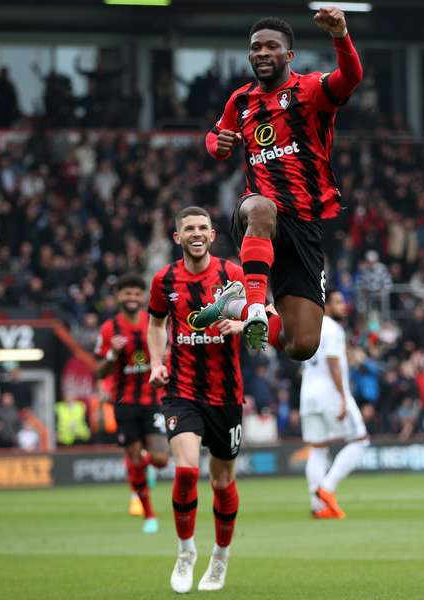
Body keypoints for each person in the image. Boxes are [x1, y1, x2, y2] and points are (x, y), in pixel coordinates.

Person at [197, 7, 363, 359]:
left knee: (300, 345)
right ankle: (256, 306)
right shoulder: (240, 100)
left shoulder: (310, 90)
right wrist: (218, 146)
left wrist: (340, 36)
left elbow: (350, 77)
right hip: (259, 215)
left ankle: (238, 306)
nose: (261, 53)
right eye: (256, 47)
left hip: (304, 224)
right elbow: (214, 136)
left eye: (271, 47)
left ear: (289, 55)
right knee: (261, 206)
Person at [147, 206, 246, 593]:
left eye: (203, 227)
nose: (196, 233)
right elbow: (156, 323)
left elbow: (265, 312)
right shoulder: (164, 279)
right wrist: (155, 361)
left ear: (213, 233)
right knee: (186, 471)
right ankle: (186, 551)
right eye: (189, 228)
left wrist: (240, 323)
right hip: (182, 392)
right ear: (178, 237)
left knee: (222, 483)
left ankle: (220, 558)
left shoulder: (233, 274)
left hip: (225, 395)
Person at [95, 272, 169, 534]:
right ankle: (149, 514)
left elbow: (164, 356)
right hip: (124, 402)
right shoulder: (108, 329)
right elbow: (100, 371)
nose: (132, 298)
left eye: (137, 293)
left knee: (160, 459)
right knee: (134, 457)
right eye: (127, 293)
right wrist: (113, 354)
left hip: (153, 400)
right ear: (119, 297)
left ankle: (139, 464)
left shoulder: (154, 323)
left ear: (143, 297)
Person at [299, 289, 369, 519]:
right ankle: (326, 489)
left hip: (308, 393)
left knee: (318, 449)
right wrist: (342, 396)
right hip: (330, 394)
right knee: (361, 441)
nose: (343, 306)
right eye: (338, 302)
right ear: (326, 305)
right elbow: (333, 363)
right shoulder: (333, 328)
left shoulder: (310, 325)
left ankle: (318, 506)